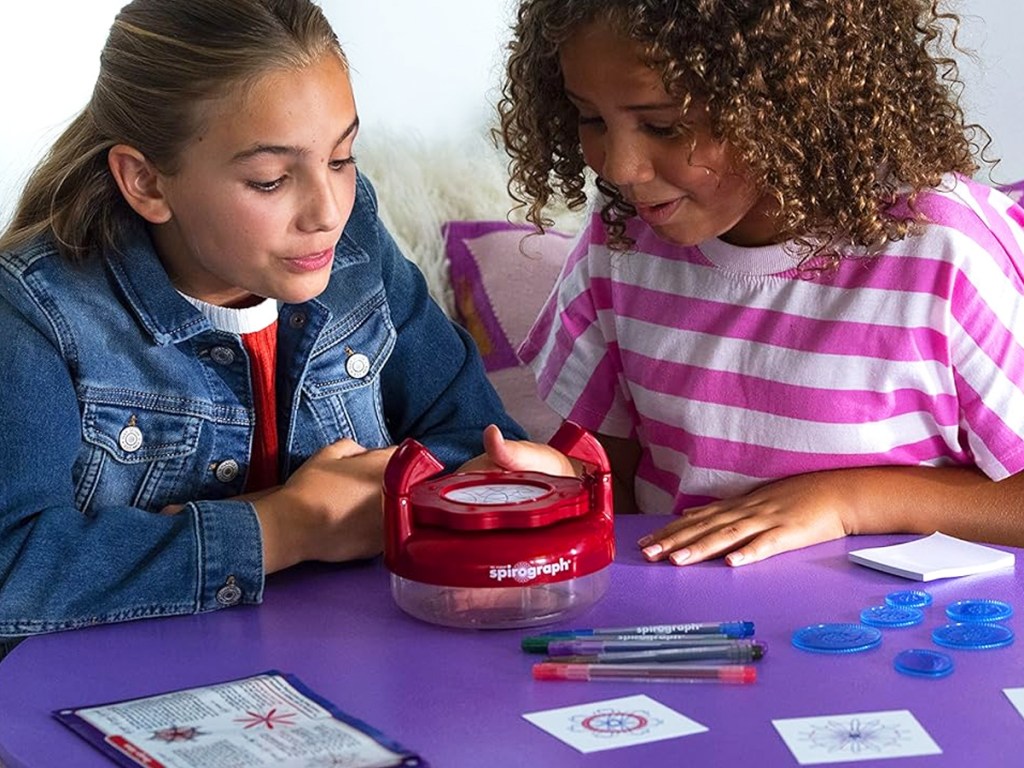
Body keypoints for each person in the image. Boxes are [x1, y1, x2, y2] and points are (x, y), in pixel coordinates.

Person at [0, 0, 570, 651]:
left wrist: (482, 475)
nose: (327, 212)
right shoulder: (35, 309)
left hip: (351, 660)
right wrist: (287, 527)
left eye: (341, 158)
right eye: (271, 180)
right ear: (146, 182)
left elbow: (473, 433)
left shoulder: (354, 247)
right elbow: (14, 566)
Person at [498, 0, 1024, 568]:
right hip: (688, 636)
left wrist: (848, 501)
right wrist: (562, 484)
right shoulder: (620, 238)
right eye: (592, 119)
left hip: (900, 640)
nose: (621, 168)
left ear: (789, 102)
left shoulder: (942, 251)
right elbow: (615, 482)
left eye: (664, 125)